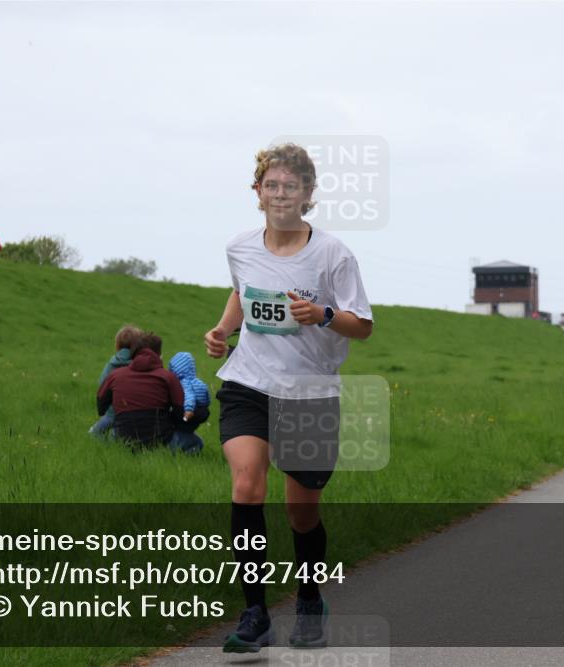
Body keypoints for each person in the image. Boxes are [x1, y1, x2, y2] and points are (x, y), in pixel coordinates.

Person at [204, 143, 372, 653]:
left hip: (309, 393)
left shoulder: (333, 254)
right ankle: (254, 612)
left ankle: (308, 598)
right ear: (257, 192)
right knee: (247, 483)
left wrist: (321, 315)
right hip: (248, 383)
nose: (280, 194)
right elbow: (242, 292)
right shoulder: (240, 247)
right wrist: (221, 329)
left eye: (291, 186)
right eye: (271, 185)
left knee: (301, 513)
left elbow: (361, 325)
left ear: (308, 194)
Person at [96, 333, 184, 446]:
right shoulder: (168, 377)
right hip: (160, 441)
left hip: (123, 441)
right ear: (159, 354)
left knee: (100, 437)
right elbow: (181, 413)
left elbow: (101, 408)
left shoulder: (115, 375)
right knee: (195, 442)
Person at [89, 324, 144, 438]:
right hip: (139, 415)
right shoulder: (141, 366)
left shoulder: (110, 365)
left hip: (112, 414)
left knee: (93, 435)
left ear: (117, 345)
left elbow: (102, 386)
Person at [167, 351, 210, 454]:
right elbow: (207, 396)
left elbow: (189, 396)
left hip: (188, 412)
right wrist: (205, 404)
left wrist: (188, 410)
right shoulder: (198, 382)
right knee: (188, 434)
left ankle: (179, 450)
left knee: (180, 432)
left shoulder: (184, 383)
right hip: (200, 410)